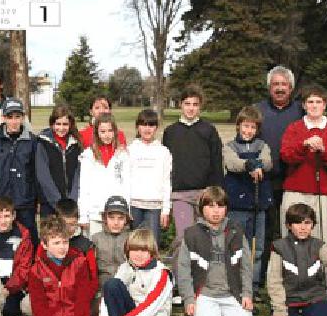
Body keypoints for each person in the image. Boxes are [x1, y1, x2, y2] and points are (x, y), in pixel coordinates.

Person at [175, 186, 255, 316]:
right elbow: (184, 270)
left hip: (231, 293)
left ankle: (223, 314)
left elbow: (246, 267)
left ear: (226, 209)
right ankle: (205, 315)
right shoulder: (191, 234)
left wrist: (247, 294)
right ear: (201, 209)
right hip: (205, 294)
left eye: (220, 206)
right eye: (210, 206)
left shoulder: (236, 231)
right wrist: (189, 299)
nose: (216, 211)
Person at [15, 216, 97, 316]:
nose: (62, 247)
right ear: (45, 245)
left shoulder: (79, 263)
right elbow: (38, 303)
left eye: (65, 242)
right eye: (56, 243)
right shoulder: (36, 270)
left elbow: (83, 297)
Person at [255, 65, 304, 292]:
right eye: (276, 84)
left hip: (294, 180)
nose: (280, 88)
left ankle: (293, 275)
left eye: (284, 84)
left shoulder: (301, 112)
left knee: (293, 228)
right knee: (266, 232)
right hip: (264, 181)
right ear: (269, 87)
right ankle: (263, 276)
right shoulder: (258, 111)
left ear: (291, 87)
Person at [279, 83, 327, 243]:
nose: (314, 106)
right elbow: (286, 156)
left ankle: (322, 268)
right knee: (291, 237)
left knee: (320, 239)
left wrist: (324, 151)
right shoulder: (294, 128)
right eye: (310, 102)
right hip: (295, 190)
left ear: (324, 105)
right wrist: (303, 146)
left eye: (318, 102)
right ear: (303, 105)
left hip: (323, 193)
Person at [221, 105, 273, 303]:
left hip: (259, 204)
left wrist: (258, 165)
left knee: (257, 248)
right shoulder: (230, 146)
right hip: (237, 206)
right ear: (238, 126)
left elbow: (268, 162)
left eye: (252, 127)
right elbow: (232, 163)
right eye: (245, 126)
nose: (248, 131)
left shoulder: (262, 146)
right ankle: (235, 282)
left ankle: (254, 285)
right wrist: (248, 165)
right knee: (237, 246)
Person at [96, 228, 173, 316]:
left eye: (143, 250)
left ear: (152, 252)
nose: (138, 254)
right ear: (128, 250)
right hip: (131, 313)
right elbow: (107, 297)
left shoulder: (162, 273)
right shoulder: (125, 267)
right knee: (111, 285)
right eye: (134, 249)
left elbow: (149, 307)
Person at [162, 85, 224, 241]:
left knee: (206, 237)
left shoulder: (209, 130)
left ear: (200, 106)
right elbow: (165, 165)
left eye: (195, 104)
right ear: (180, 105)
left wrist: (215, 192)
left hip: (204, 193)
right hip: (180, 194)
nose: (191, 108)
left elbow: (216, 162)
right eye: (187, 104)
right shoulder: (171, 132)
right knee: (184, 237)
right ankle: (181, 266)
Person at [0, 98, 39, 244]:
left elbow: (36, 172)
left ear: (23, 117)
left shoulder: (32, 141)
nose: (14, 121)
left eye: (17, 117)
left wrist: (36, 198)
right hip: (1, 200)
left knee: (28, 239)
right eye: (10, 117)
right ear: (3, 118)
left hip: (25, 201)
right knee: (2, 241)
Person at [0, 195, 35, 316]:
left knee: (9, 310)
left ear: (13, 216)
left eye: (7, 216)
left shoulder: (23, 236)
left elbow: (24, 269)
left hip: (13, 285)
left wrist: (8, 289)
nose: (3, 221)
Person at [77, 113, 130, 237]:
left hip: (116, 213)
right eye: (103, 131)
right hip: (95, 213)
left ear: (115, 132)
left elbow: (127, 184)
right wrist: (83, 215)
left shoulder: (122, 155)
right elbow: (84, 187)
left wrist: (126, 210)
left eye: (110, 131)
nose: (107, 135)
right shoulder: (88, 155)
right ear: (96, 133)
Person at [127, 109, 173, 251]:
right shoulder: (130, 150)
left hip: (155, 206)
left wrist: (166, 209)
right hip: (134, 205)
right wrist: (126, 206)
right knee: (133, 246)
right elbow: (125, 180)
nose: (147, 129)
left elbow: (166, 181)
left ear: (156, 128)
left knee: (152, 246)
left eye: (151, 125)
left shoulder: (163, 152)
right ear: (137, 127)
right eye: (144, 125)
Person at [35, 103, 82, 219]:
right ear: (52, 124)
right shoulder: (43, 143)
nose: (61, 128)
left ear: (70, 124)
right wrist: (57, 202)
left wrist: (72, 200)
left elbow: (77, 173)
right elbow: (43, 175)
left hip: (71, 205)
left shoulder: (75, 145)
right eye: (58, 124)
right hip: (50, 204)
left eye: (65, 124)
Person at [90, 196, 132, 289]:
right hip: (102, 286)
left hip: (127, 285)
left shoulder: (132, 238)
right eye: (111, 218)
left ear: (126, 219)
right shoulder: (95, 239)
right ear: (105, 218)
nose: (116, 223)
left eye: (120, 218)